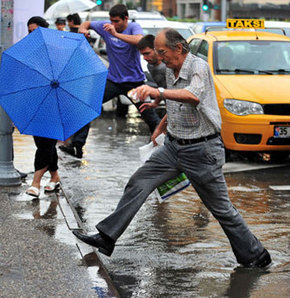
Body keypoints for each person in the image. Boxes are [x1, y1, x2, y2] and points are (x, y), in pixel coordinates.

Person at [73, 28, 272, 269]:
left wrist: (158, 92)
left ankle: (257, 255)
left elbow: (192, 96)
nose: (159, 57)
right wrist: (160, 120)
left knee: (221, 209)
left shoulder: (198, 67)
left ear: (178, 48)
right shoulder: (170, 69)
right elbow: (176, 103)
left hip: (202, 151)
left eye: (162, 51)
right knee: (139, 182)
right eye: (157, 52)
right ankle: (107, 237)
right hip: (173, 147)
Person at [59, 4, 160, 158]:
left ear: (125, 19)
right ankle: (77, 146)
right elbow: (88, 23)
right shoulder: (106, 26)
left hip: (134, 84)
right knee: (88, 105)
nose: (114, 25)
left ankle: (162, 147)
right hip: (113, 82)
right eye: (111, 21)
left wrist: (115, 34)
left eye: (117, 21)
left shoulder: (133, 27)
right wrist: (83, 29)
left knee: (150, 116)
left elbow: (139, 40)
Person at [25, 17, 60, 197]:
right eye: (30, 32)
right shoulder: (28, 52)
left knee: (45, 144)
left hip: (55, 103)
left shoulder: (55, 49)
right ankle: (54, 177)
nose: (33, 35)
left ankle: (36, 182)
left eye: (36, 31)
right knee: (42, 142)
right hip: (36, 102)